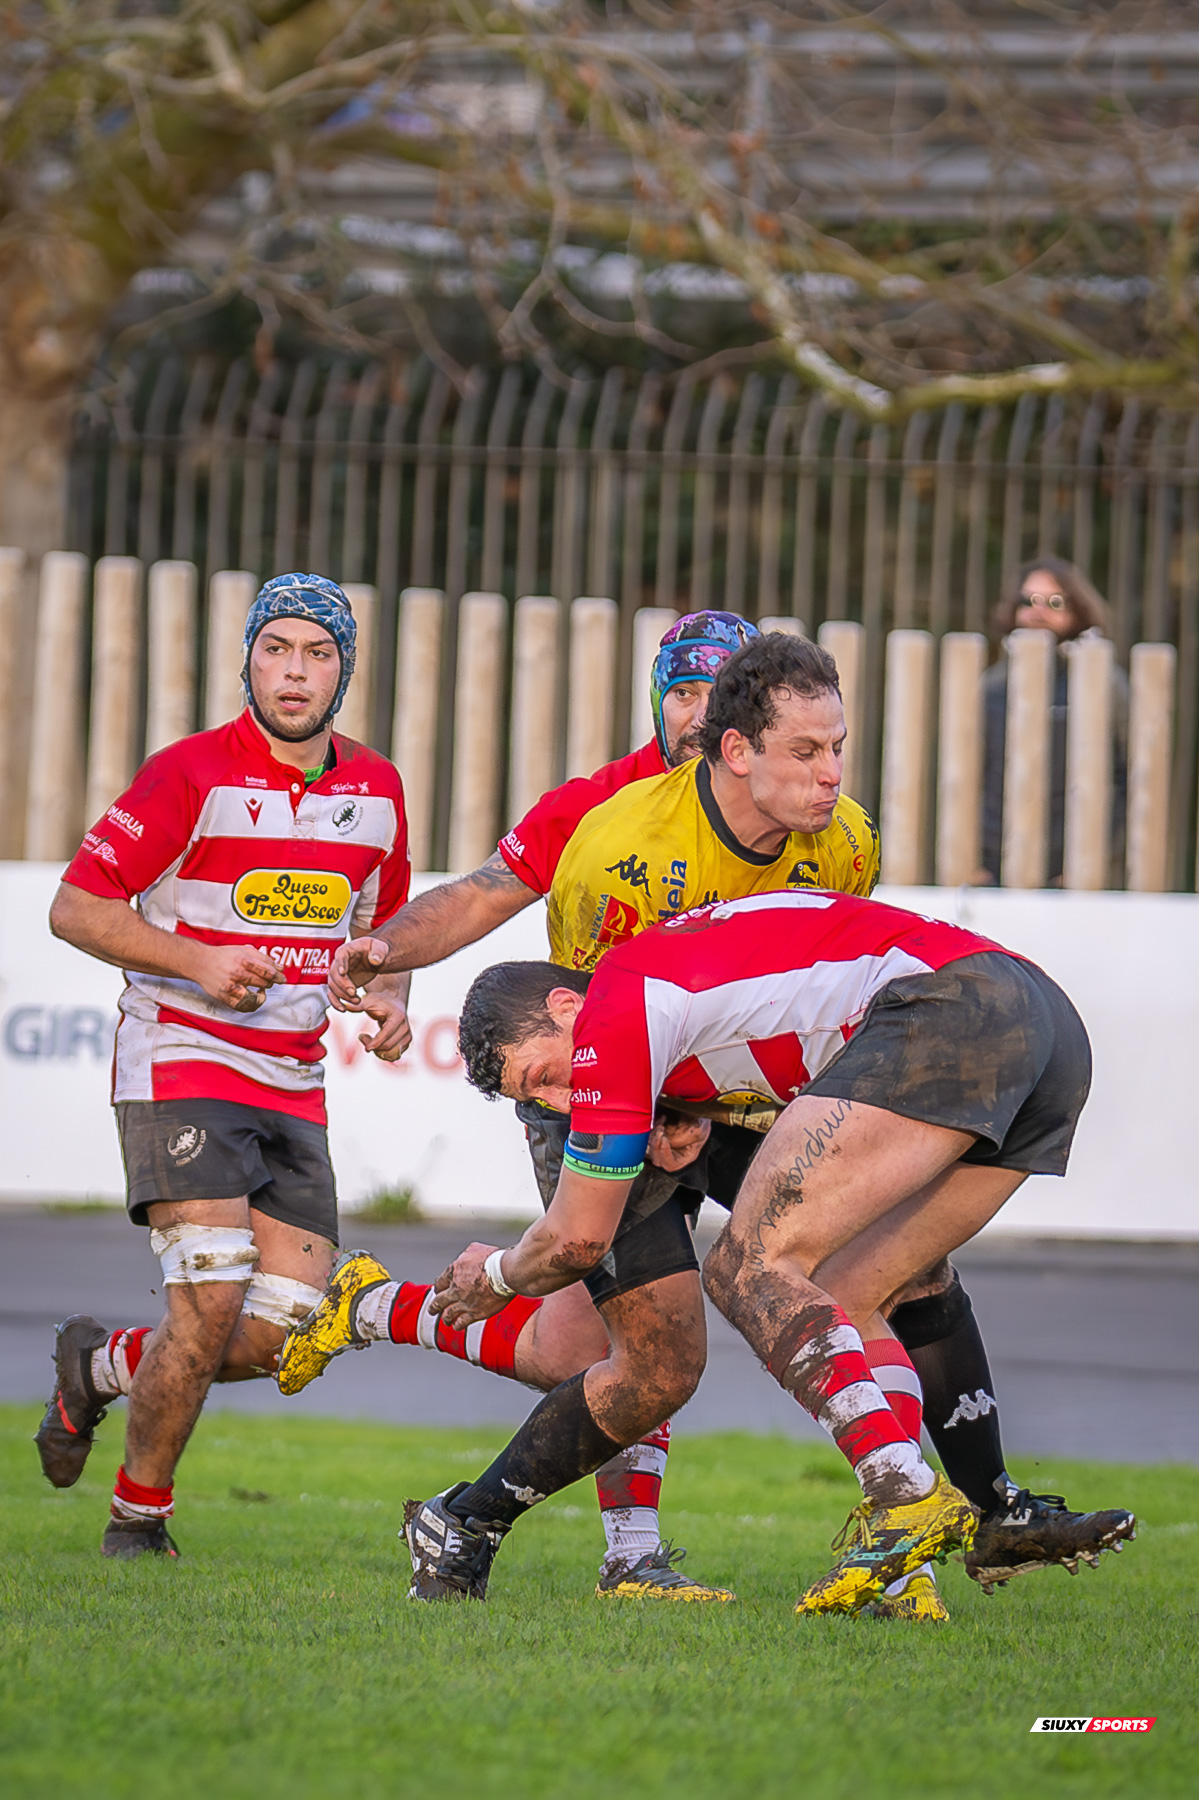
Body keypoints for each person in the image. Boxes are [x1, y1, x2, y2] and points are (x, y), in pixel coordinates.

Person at [282, 623, 891, 1605]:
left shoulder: (813, 816)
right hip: (597, 1087)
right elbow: (486, 895)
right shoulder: (603, 813)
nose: (695, 714)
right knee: (630, 1347)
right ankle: (628, 1556)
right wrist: (384, 951)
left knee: (605, 1347)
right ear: (657, 700)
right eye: (679, 693)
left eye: (714, 694)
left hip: (727, 1094)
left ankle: (373, 1307)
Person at [406, 881, 1133, 1616]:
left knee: (746, 1267)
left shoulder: (611, 1011)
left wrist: (494, 1275)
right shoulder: (668, 985)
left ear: (565, 1008)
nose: (564, 1102)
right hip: (1045, 1028)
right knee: (871, 1286)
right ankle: (997, 1514)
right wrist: (691, 1102)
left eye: (545, 1077)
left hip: (951, 1009)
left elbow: (577, 1235)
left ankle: (903, 1494)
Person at [35, 574, 412, 1558]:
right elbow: (76, 907)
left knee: (281, 1333)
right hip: (181, 1055)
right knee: (207, 1297)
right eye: (276, 648)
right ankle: (138, 1523)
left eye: (317, 653)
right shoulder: (188, 775)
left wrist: (389, 1000)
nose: (294, 672)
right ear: (247, 658)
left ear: (344, 671)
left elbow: (383, 931)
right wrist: (197, 960)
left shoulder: (378, 791)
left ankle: (102, 1366)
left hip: (293, 1079)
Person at [982, 555, 1129, 886]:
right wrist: (979, 860)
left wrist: (1097, 858)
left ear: (1077, 611)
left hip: (1077, 869)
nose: (1039, 611)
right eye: (1028, 600)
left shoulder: (1104, 683)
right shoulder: (992, 686)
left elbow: (1126, 776)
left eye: (1055, 602)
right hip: (996, 869)